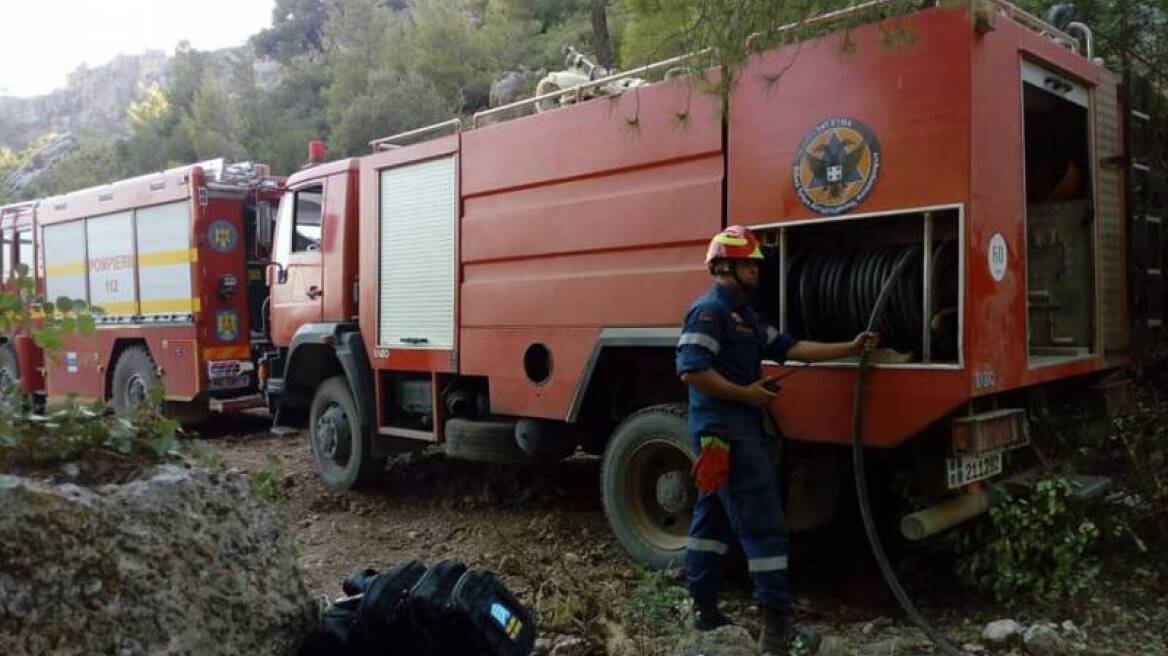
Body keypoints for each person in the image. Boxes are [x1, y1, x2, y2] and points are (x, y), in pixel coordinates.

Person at [675, 225, 878, 656]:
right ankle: (776, 626)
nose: (755, 269)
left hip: (734, 430)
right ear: (724, 265)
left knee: (711, 522)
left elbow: (792, 346)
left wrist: (850, 347)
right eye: (748, 262)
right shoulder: (708, 311)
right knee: (763, 521)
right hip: (724, 433)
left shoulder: (745, 316)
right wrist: (747, 393)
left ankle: (704, 608)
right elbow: (691, 370)